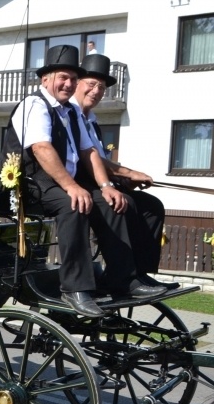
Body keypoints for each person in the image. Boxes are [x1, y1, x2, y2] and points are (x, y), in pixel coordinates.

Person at [2, 44, 163, 318]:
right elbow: (41, 148)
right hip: (33, 184)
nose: (68, 84)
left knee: (111, 203)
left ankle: (124, 279)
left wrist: (107, 186)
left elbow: (90, 153)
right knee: (74, 204)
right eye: (62, 78)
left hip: (61, 183)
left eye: (72, 79)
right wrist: (73, 186)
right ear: (46, 79)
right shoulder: (34, 104)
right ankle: (75, 288)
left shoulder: (72, 112)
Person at [71, 53, 176, 289]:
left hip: (97, 181)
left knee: (151, 206)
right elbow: (89, 156)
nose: (96, 91)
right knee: (121, 203)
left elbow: (100, 160)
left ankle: (140, 272)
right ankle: (122, 278)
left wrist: (123, 177)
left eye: (101, 87)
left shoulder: (92, 121)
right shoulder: (70, 114)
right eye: (91, 84)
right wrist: (127, 173)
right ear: (77, 83)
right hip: (76, 184)